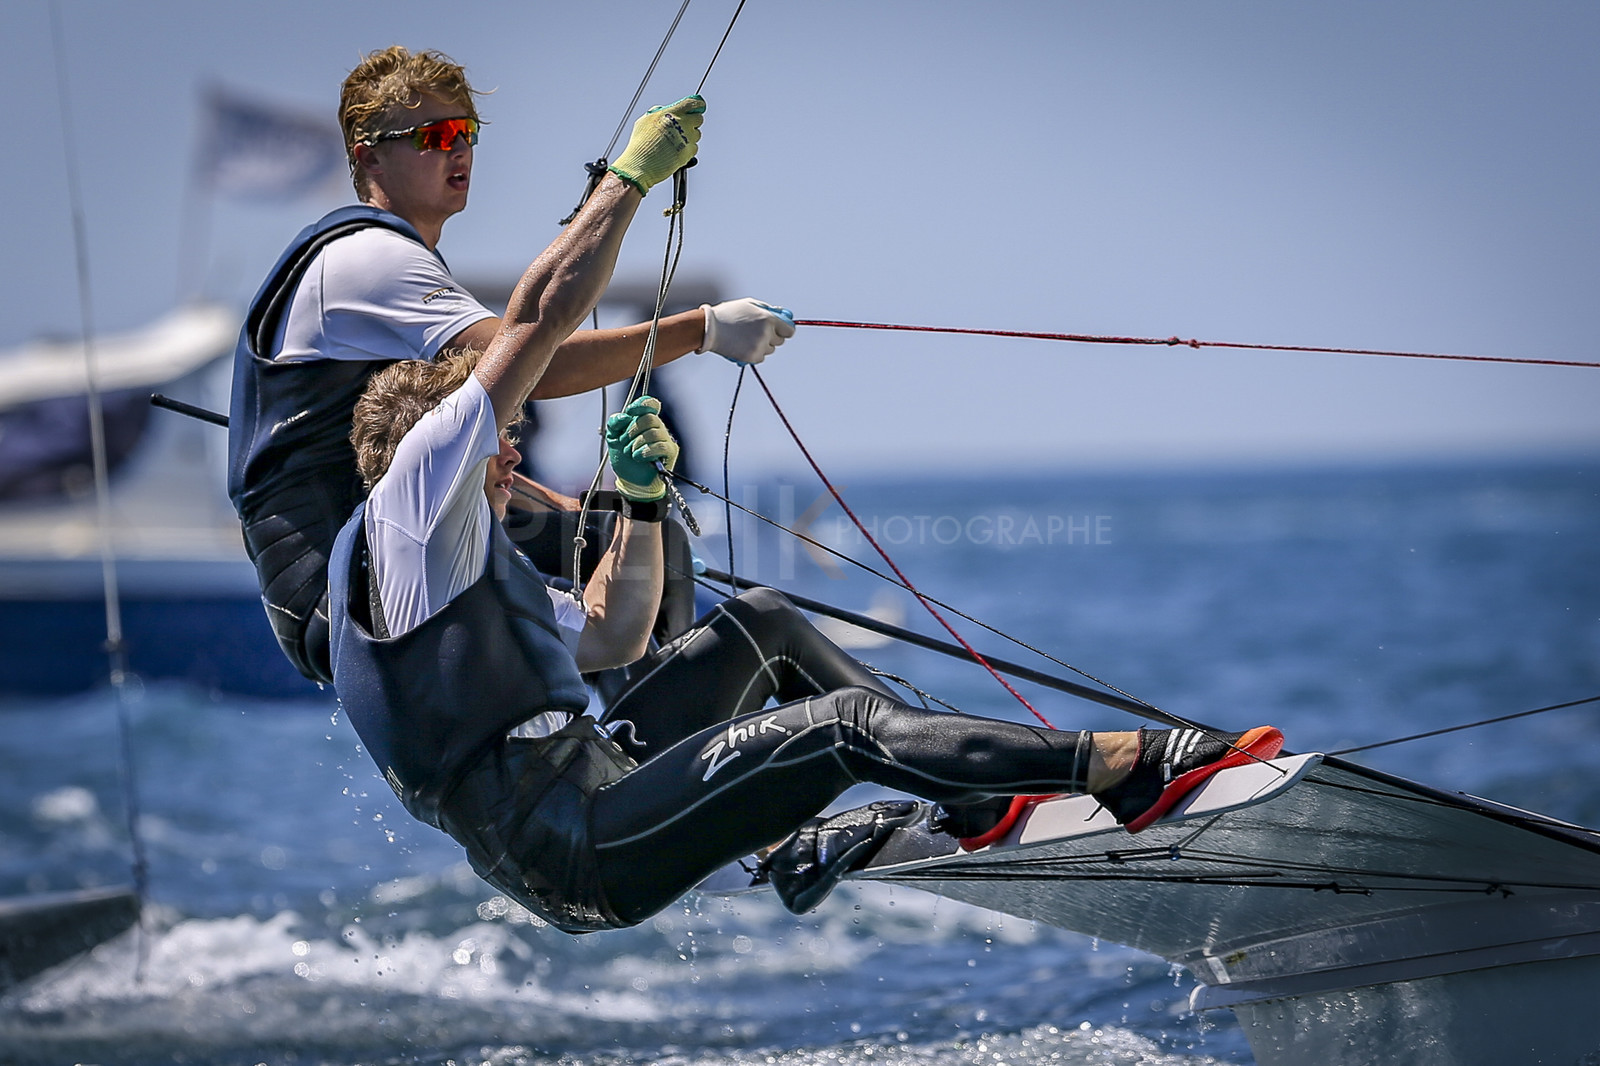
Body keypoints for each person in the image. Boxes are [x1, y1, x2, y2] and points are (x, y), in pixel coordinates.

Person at [328, 340, 1287, 930]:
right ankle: (1127, 767)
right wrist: (623, 187)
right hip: (572, 844)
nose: (516, 446)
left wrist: (644, 500)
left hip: (593, 782)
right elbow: (530, 326)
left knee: (764, 622)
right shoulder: (410, 523)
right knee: (844, 726)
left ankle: (973, 803)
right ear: (435, 456)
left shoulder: (466, 572)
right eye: (498, 432)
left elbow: (620, 636)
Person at [227, 46, 794, 685]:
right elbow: (532, 365)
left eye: (466, 134)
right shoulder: (367, 260)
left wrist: (540, 499)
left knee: (630, 532)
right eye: (434, 137)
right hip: (338, 594)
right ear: (368, 155)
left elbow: (419, 450)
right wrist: (702, 329)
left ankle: (635, 732)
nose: (458, 151)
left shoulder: (385, 262)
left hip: (368, 566)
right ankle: (667, 737)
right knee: (635, 542)